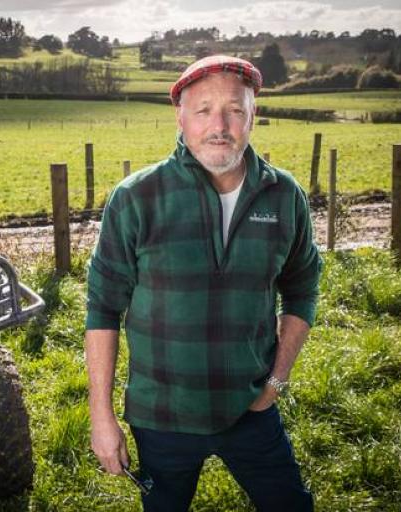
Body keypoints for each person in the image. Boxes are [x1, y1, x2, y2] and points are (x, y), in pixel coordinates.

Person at [84, 55, 322, 512]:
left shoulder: (284, 195)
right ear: (180, 117)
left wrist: (275, 381)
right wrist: (102, 416)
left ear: (253, 115)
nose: (220, 125)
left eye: (234, 109)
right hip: (161, 417)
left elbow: (302, 288)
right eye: (203, 110)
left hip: (251, 407)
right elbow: (103, 307)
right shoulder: (137, 196)